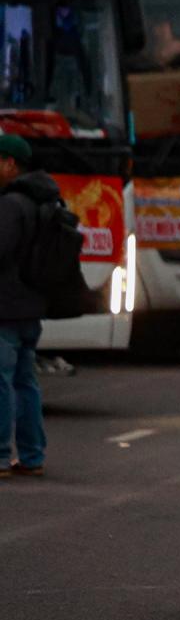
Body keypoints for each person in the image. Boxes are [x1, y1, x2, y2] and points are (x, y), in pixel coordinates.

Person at [0, 136, 55, 478]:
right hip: (31, 306)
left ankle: (1, 455)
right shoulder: (44, 200)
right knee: (25, 381)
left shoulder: (10, 204)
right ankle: (32, 455)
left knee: (2, 381)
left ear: (10, 164)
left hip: (5, 306)